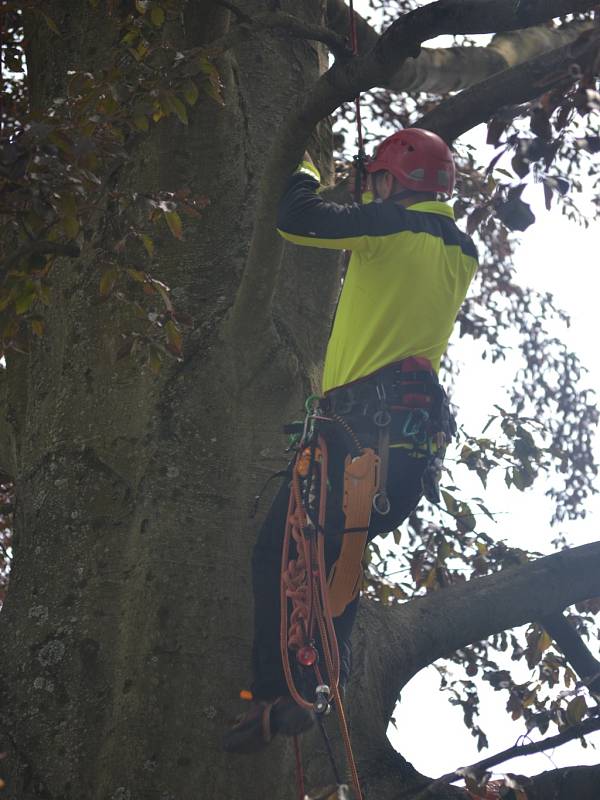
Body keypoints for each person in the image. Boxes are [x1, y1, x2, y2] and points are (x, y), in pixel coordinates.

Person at [224, 129, 478, 753]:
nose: (377, 190)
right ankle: (300, 689)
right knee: (338, 555)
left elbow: (296, 220)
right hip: (411, 450)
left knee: (279, 552)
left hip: (359, 426)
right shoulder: (461, 252)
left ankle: (284, 690)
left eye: (382, 180)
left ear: (402, 183)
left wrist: (301, 162)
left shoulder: (392, 227)